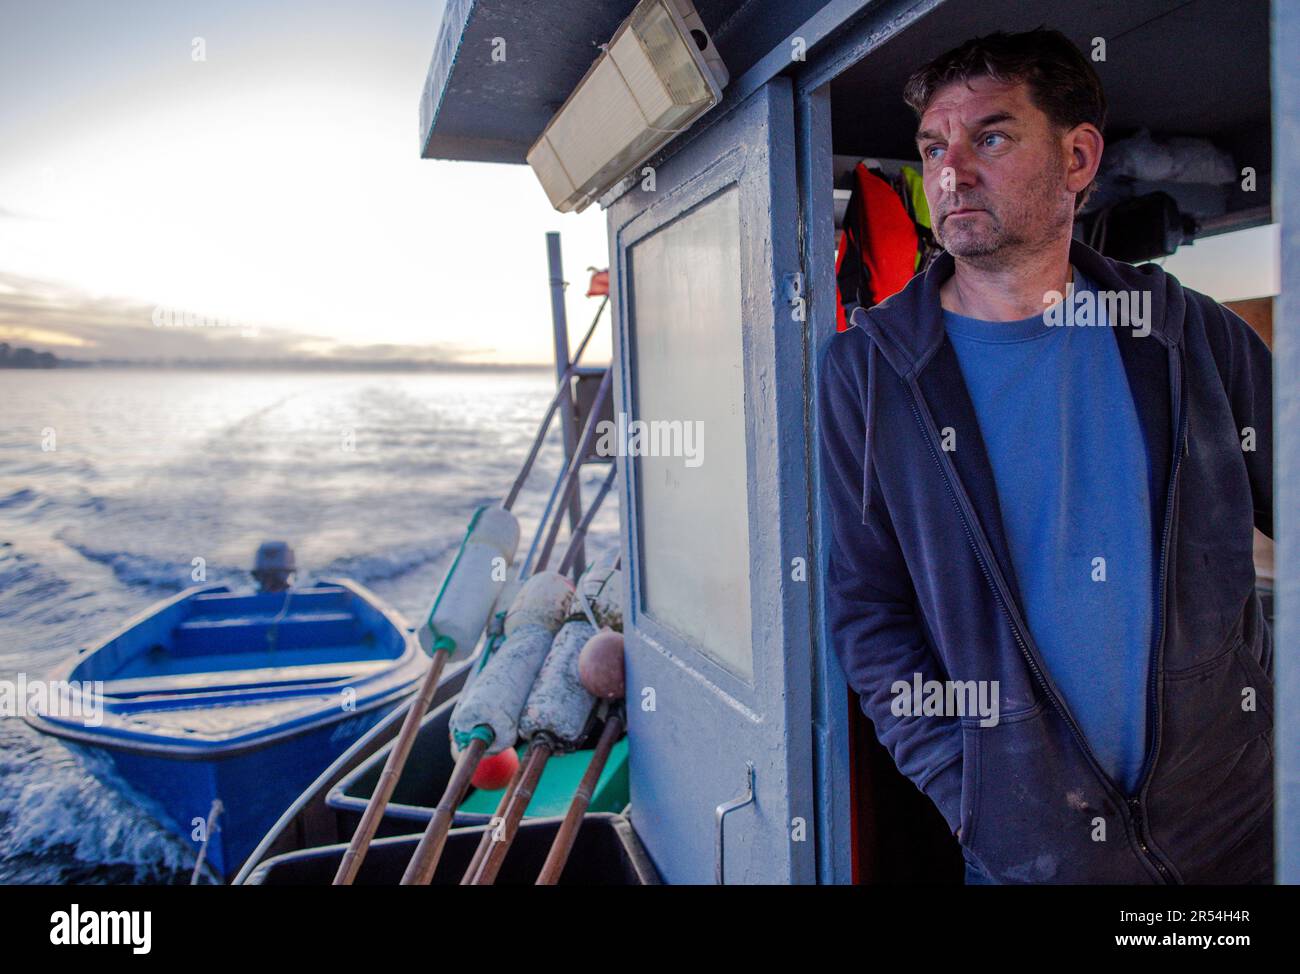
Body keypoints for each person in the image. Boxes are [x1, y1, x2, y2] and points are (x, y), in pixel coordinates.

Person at [818, 28, 1273, 883]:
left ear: (1077, 158)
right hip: (1032, 853)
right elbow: (869, 613)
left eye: (989, 136)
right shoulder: (870, 374)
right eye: (932, 146)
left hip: (1230, 829)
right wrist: (972, 792)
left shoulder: (1189, 335)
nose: (950, 171)